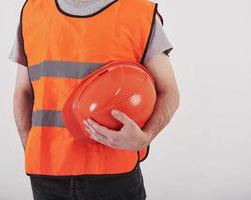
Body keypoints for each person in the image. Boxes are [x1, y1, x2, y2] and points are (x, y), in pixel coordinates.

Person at [9, 0, 180, 199]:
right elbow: (23, 92)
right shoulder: (33, 10)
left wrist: (145, 137)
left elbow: (169, 91)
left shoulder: (140, 13)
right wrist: (30, 145)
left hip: (115, 176)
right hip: (47, 177)